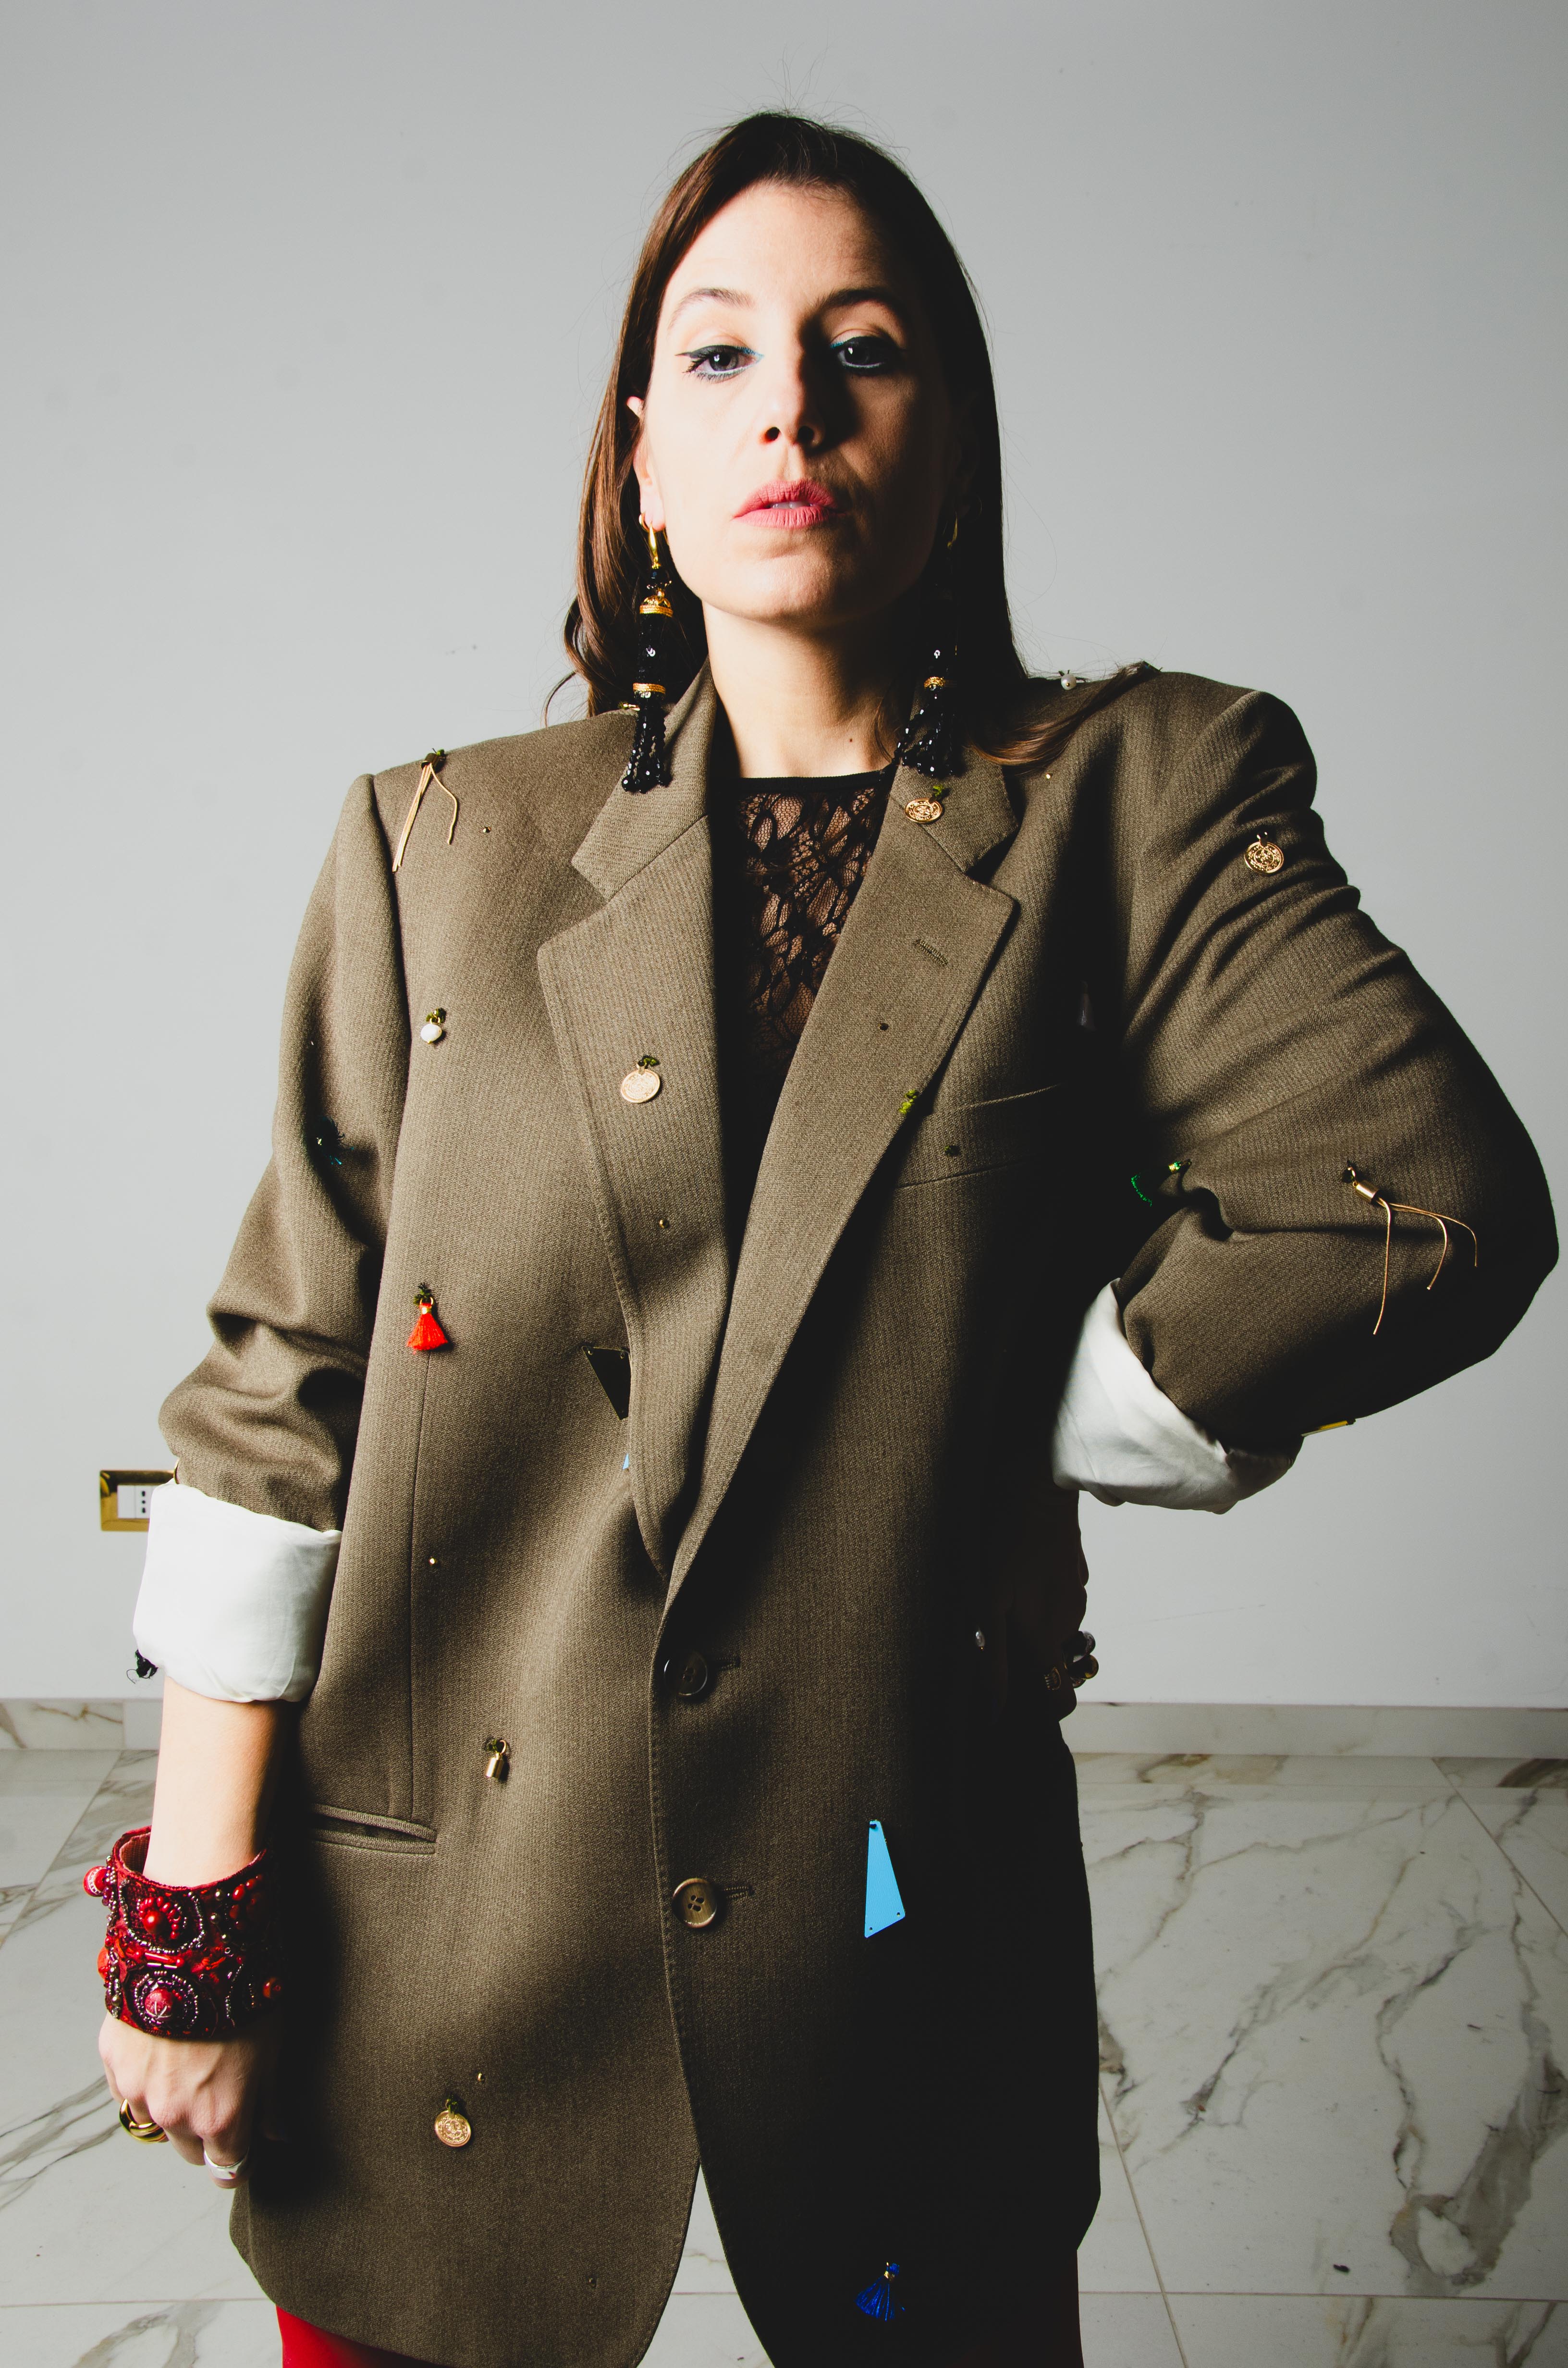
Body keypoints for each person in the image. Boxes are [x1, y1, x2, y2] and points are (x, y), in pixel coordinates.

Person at [91, 111, 1554, 2368]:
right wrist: (192, 1906)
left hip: (909, 1919)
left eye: (863, 351)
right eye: (721, 356)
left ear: (952, 442)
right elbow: (284, 1388)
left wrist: (1015, 1406)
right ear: (644, 459)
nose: (790, 404)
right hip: (444, 1933)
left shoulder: (1138, 796)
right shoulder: (434, 844)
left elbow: (1423, 1192)